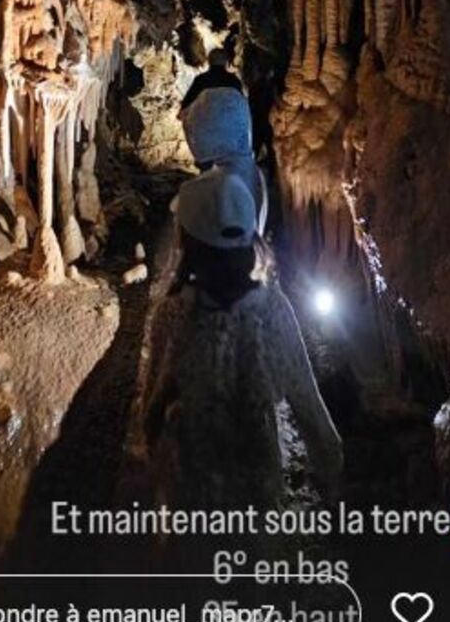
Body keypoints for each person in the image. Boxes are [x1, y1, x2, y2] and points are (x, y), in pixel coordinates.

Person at [144, 167, 343, 511]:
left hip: (191, 496)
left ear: (187, 242)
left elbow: (153, 409)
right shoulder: (273, 312)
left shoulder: (173, 315)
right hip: (258, 495)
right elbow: (311, 411)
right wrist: (332, 485)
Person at [180, 48, 244, 115]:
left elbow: (186, 105)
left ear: (209, 61)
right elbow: (241, 105)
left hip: (204, 120)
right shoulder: (234, 81)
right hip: (230, 121)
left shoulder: (201, 80)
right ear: (226, 62)